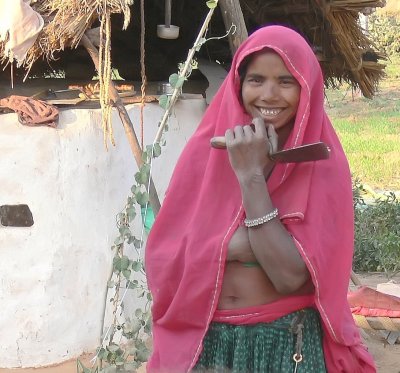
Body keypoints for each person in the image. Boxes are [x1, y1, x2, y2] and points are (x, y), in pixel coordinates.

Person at [145, 25, 376, 372]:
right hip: (208, 343)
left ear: (307, 88)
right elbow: (163, 259)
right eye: (256, 80)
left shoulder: (321, 164)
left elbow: (289, 276)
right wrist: (241, 244)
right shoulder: (205, 151)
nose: (269, 95)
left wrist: (251, 176)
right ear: (238, 85)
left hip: (286, 343)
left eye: (286, 81)